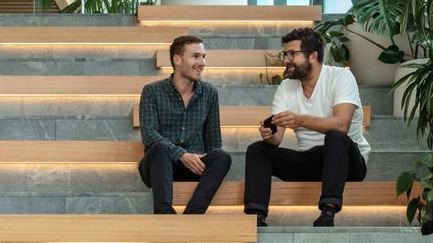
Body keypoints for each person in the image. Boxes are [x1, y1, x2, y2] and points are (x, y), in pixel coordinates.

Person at [243, 27, 369, 227]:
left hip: (347, 163)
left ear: (313, 56)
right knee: (257, 150)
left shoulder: (341, 77)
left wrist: (300, 120)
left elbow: (342, 124)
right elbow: (277, 140)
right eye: (285, 54)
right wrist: (269, 134)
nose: (286, 60)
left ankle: (328, 212)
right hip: (310, 160)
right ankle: (255, 216)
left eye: (292, 54)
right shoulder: (286, 87)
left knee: (335, 136)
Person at [136, 35, 231, 215]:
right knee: (160, 148)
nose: (202, 62)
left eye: (203, 56)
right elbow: (149, 134)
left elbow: (213, 142)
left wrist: (201, 159)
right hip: (160, 166)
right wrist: (181, 155)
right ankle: (164, 214)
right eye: (196, 56)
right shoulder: (152, 91)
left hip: (194, 167)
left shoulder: (209, 93)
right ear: (177, 59)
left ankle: (193, 215)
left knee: (222, 156)